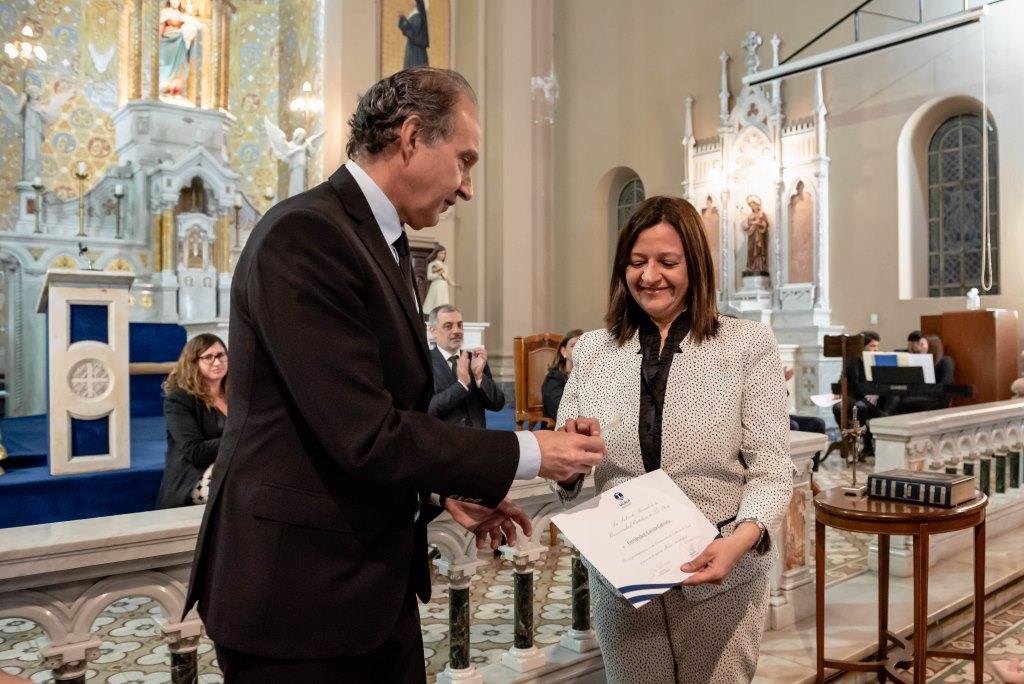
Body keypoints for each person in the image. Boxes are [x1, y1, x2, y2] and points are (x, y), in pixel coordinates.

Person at [184, 67, 605, 682]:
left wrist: (441, 488)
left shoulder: (378, 242)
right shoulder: (306, 236)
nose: (466, 188)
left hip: (362, 590)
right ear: (411, 136)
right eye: (464, 161)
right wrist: (531, 450)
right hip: (298, 600)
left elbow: (365, 415)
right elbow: (364, 434)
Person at [555, 195, 792, 682]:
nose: (650, 276)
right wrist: (571, 453)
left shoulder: (747, 345)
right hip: (625, 581)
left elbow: (772, 471)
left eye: (667, 262)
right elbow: (568, 471)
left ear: (695, 267)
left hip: (720, 572)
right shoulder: (595, 351)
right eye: (637, 262)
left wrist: (738, 543)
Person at [156, 333, 228, 509]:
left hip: (230, 465)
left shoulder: (237, 395)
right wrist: (239, 439)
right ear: (193, 362)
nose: (217, 362)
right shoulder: (179, 399)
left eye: (221, 355)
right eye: (208, 357)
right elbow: (195, 452)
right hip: (193, 476)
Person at [427, 304, 504, 427]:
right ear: (433, 331)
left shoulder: (474, 359)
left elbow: (497, 404)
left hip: (477, 439)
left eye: (460, 325)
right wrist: (461, 385)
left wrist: (479, 377)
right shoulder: (425, 362)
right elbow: (427, 409)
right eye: (448, 326)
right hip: (444, 441)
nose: (457, 331)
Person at [831, 330, 889, 455]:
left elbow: (885, 382)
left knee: (859, 408)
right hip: (856, 396)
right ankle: (849, 439)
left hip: (875, 399)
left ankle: (867, 444)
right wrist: (839, 390)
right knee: (837, 408)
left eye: (877, 346)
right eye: (872, 346)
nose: (876, 349)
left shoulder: (879, 359)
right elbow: (844, 380)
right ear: (862, 347)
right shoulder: (852, 360)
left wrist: (876, 392)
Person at [893, 334, 955, 414]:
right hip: (918, 393)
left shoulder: (945, 361)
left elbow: (947, 383)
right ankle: (883, 417)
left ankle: (885, 417)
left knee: (903, 401)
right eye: (919, 344)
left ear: (932, 346)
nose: (919, 348)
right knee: (893, 394)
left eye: (922, 344)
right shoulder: (920, 361)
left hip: (934, 397)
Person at [541, 328, 583, 423]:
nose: (579, 349)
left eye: (583, 345)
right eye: (573, 346)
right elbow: (560, 410)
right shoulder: (554, 379)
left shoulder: (592, 376)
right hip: (560, 431)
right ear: (564, 351)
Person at [421, 243, 453, 313]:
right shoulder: (432, 264)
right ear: (436, 253)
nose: (443, 255)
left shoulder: (445, 266)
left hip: (444, 286)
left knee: (444, 304)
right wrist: (438, 274)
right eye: (441, 253)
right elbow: (429, 277)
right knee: (436, 303)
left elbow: (446, 277)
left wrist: (452, 283)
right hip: (436, 285)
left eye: (444, 253)